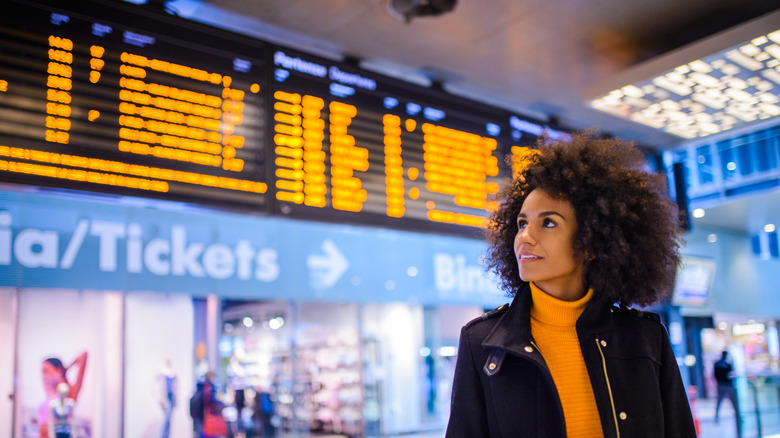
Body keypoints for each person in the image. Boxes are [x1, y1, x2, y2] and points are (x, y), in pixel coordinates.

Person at [445, 132, 697, 437]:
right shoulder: (482, 342)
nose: (524, 236)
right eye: (522, 223)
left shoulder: (645, 338)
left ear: (593, 240)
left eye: (548, 223)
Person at [39, 351, 88, 438]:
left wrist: (66, 369)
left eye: (46, 371)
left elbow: (83, 355)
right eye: (42, 372)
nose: (44, 376)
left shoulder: (70, 393)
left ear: (59, 369)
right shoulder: (49, 390)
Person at [714, 350, 741, 437]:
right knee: (720, 402)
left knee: (720, 402)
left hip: (723, 385)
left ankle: (718, 416)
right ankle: (717, 416)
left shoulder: (719, 364)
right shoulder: (725, 364)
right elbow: (729, 375)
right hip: (725, 385)